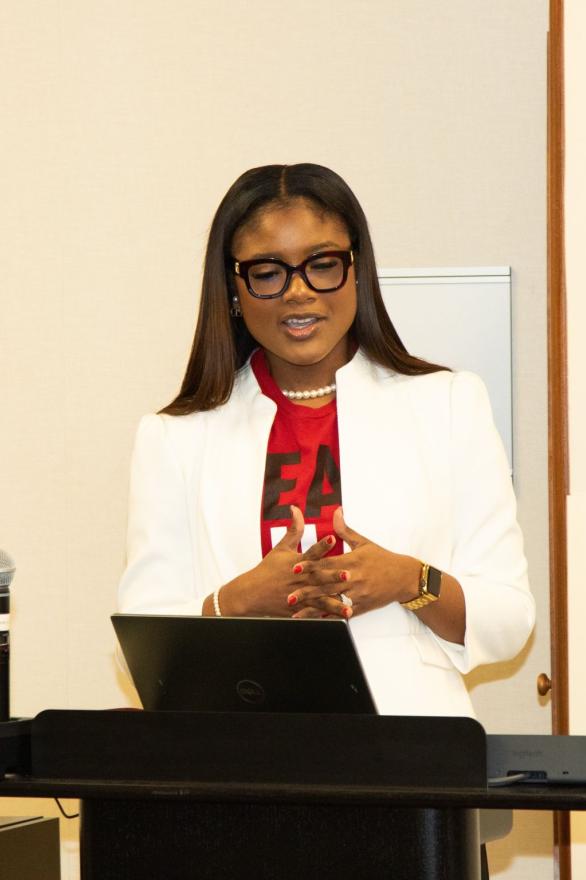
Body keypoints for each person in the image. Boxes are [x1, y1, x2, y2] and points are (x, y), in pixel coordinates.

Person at [118, 163, 535, 717]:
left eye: (323, 265)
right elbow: (140, 653)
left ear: (356, 271)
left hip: (410, 756)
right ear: (234, 288)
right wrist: (239, 601)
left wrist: (408, 580)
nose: (298, 292)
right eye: (268, 272)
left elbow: (508, 620)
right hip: (237, 759)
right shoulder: (175, 436)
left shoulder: (449, 404)